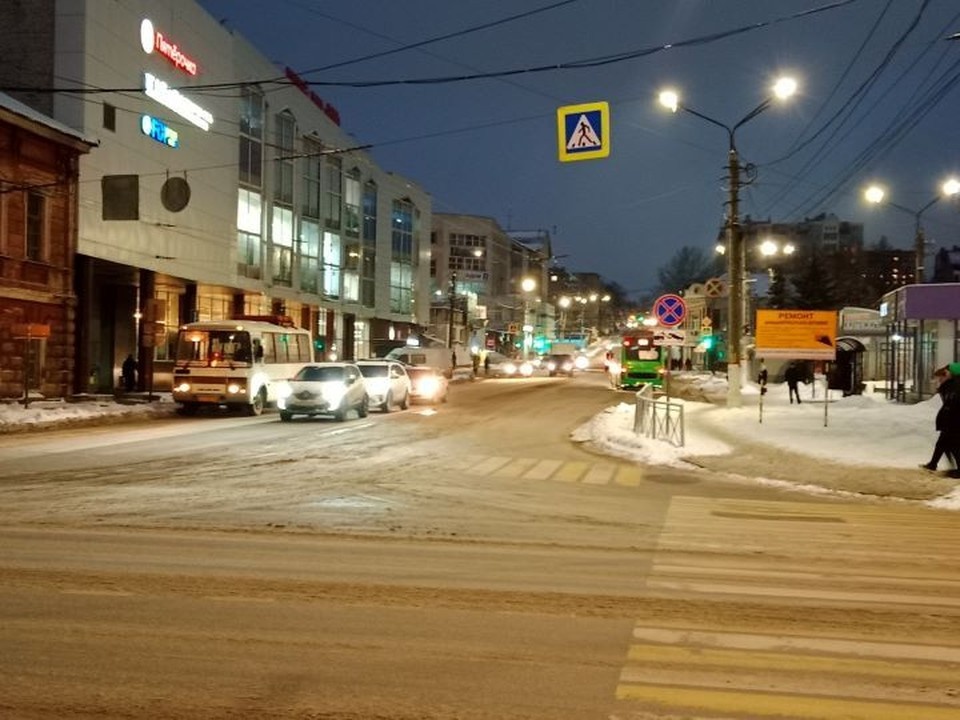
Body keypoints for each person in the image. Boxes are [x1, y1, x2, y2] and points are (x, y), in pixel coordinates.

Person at [921, 366, 960, 473]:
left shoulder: (954, 387)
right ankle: (933, 463)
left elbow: (953, 404)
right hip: (950, 421)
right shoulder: (949, 386)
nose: (939, 380)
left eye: (940, 378)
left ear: (948, 375)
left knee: (952, 445)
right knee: (942, 443)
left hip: (954, 421)